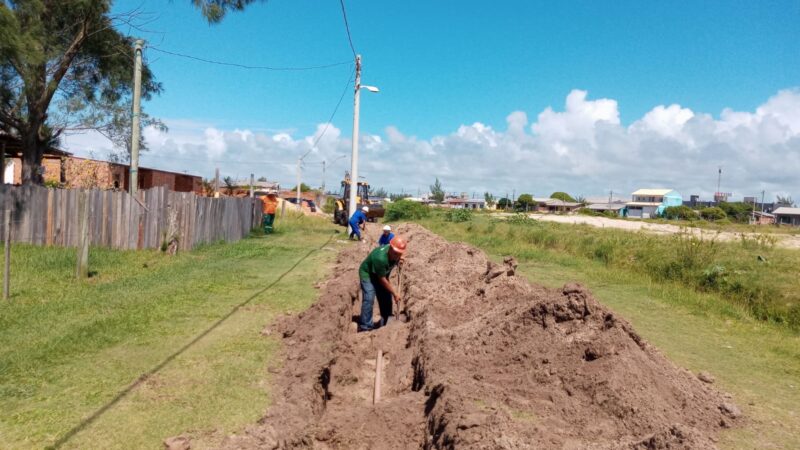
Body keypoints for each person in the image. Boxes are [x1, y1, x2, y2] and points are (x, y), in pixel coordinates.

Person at [358, 236, 407, 331]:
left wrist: (400, 259)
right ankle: (365, 326)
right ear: (391, 248)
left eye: (399, 254)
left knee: (386, 297)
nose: (397, 256)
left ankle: (387, 320)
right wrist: (395, 294)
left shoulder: (395, 252)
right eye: (396, 254)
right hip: (368, 274)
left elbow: (400, 253)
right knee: (369, 298)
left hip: (381, 274)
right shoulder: (380, 258)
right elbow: (382, 280)